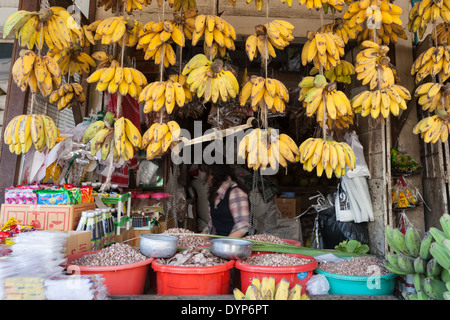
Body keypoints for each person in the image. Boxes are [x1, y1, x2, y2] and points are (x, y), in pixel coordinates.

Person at [200, 164, 250, 238]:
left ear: (215, 173)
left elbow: (242, 226)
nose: (205, 176)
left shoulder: (236, 192)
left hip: (235, 246)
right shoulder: (215, 194)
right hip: (220, 244)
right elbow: (211, 227)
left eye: (207, 172)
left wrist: (225, 245)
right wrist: (195, 240)